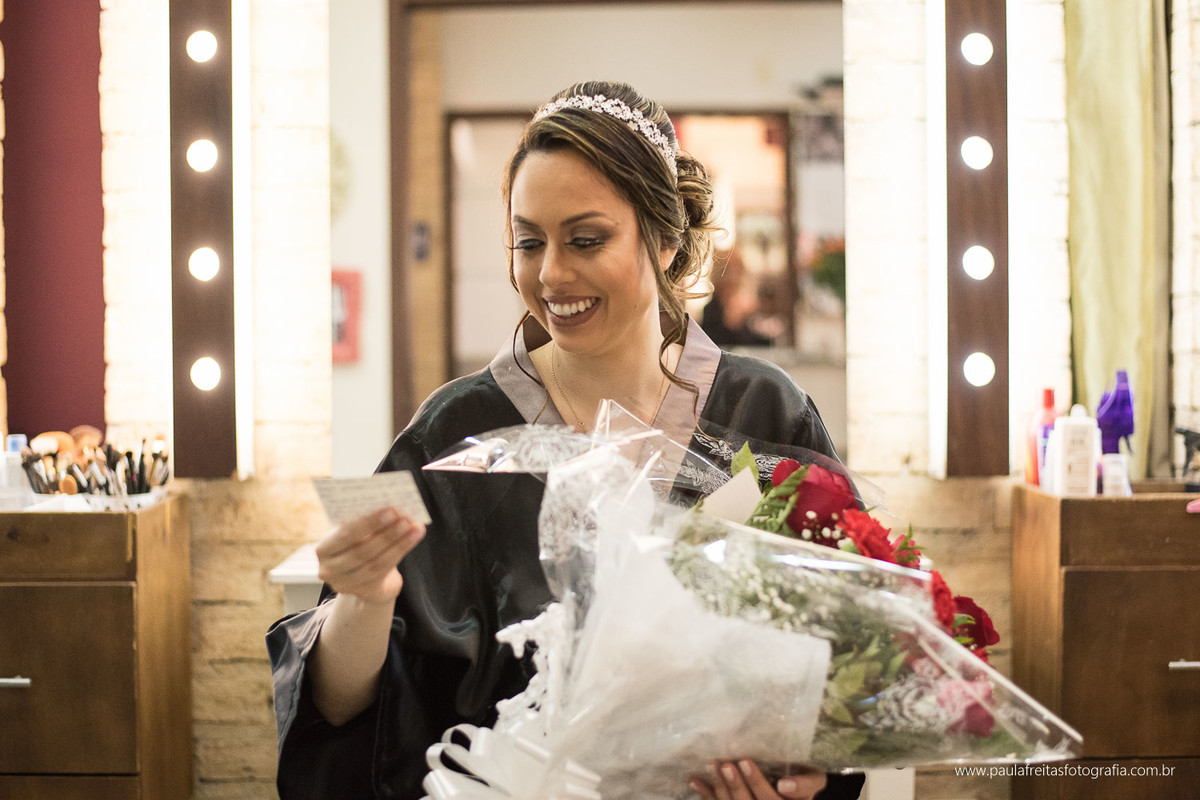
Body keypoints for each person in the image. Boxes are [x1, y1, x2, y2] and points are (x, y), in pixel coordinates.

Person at [267, 80, 865, 800]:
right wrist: (365, 598)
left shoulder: (765, 414)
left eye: (586, 240)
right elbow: (340, 714)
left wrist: (804, 781)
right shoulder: (453, 433)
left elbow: (856, 677)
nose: (551, 273)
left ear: (666, 240)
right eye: (529, 242)